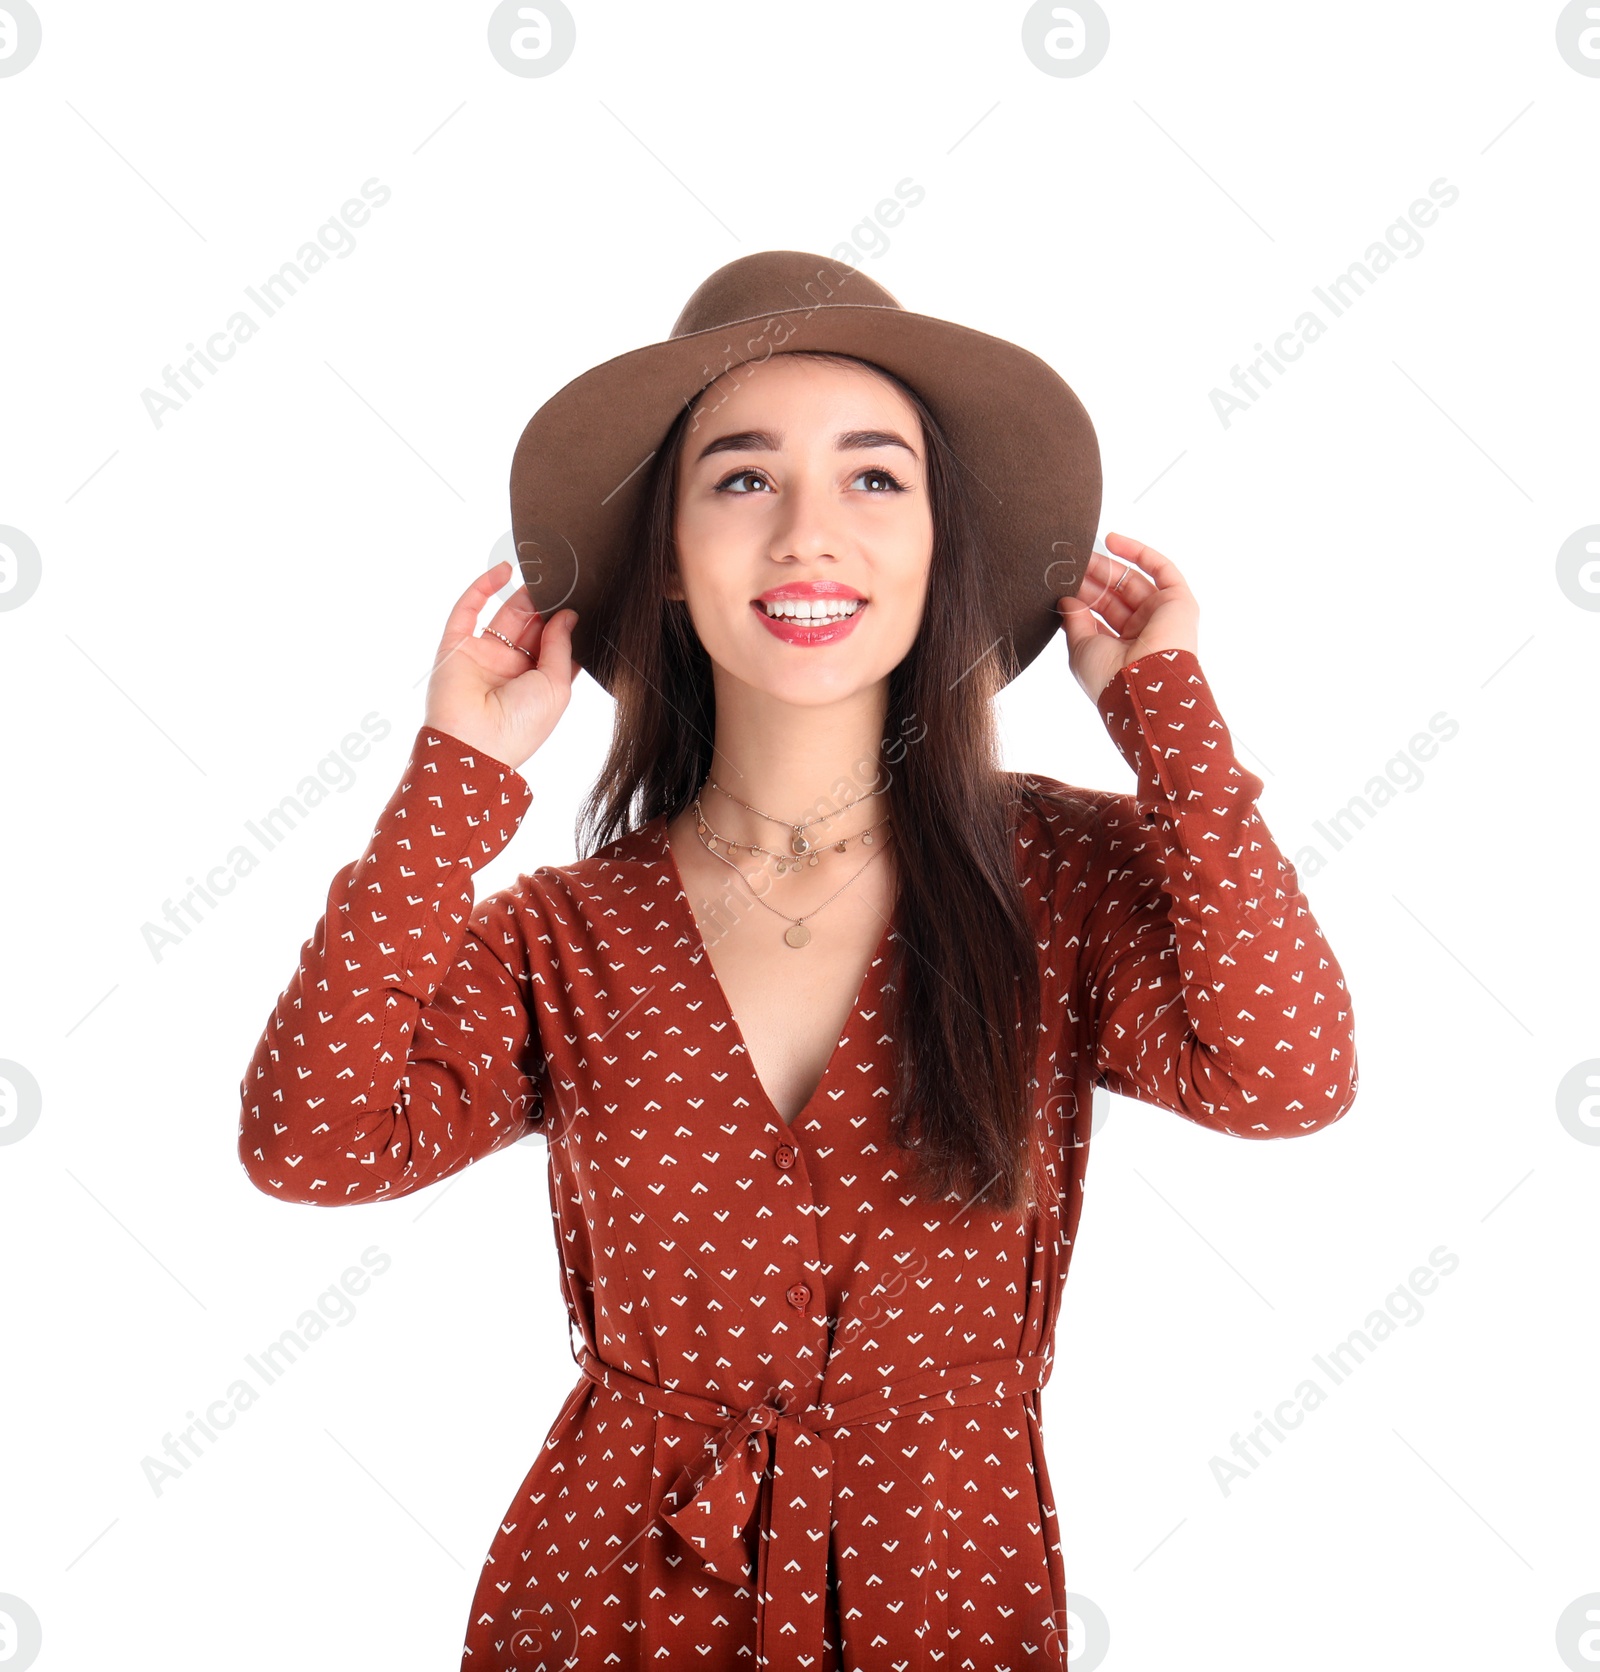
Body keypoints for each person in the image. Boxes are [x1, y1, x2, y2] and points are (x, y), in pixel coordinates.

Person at [238, 252, 1358, 1671]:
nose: (807, 536)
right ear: (667, 551)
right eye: (744, 480)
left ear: (946, 540)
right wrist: (454, 780)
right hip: (607, 1601)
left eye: (875, 479)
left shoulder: (1060, 882)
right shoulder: (561, 936)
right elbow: (310, 1144)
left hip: (944, 1591)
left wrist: (1172, 727)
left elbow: (1288, 1076)